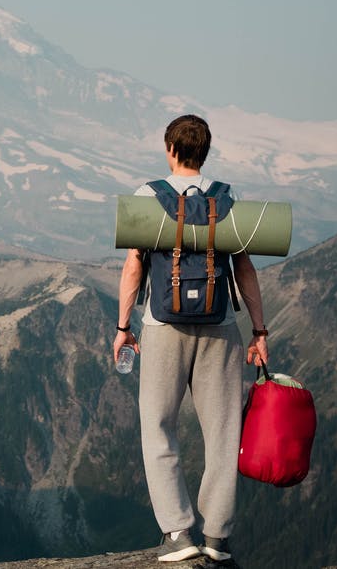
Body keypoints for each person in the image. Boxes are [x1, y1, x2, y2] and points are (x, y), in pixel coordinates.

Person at [113, 114, 268, 564]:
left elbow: (134, 267)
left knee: (158, 426)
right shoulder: (226, 196)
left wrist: (124, 328)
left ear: (170, 149)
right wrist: (259, 331)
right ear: (205, 151)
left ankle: (178, 534)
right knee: (223, 432)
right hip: (221, 329)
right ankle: (217, 538)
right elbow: (244, 270)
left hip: (164, 329)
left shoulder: (148, 196)